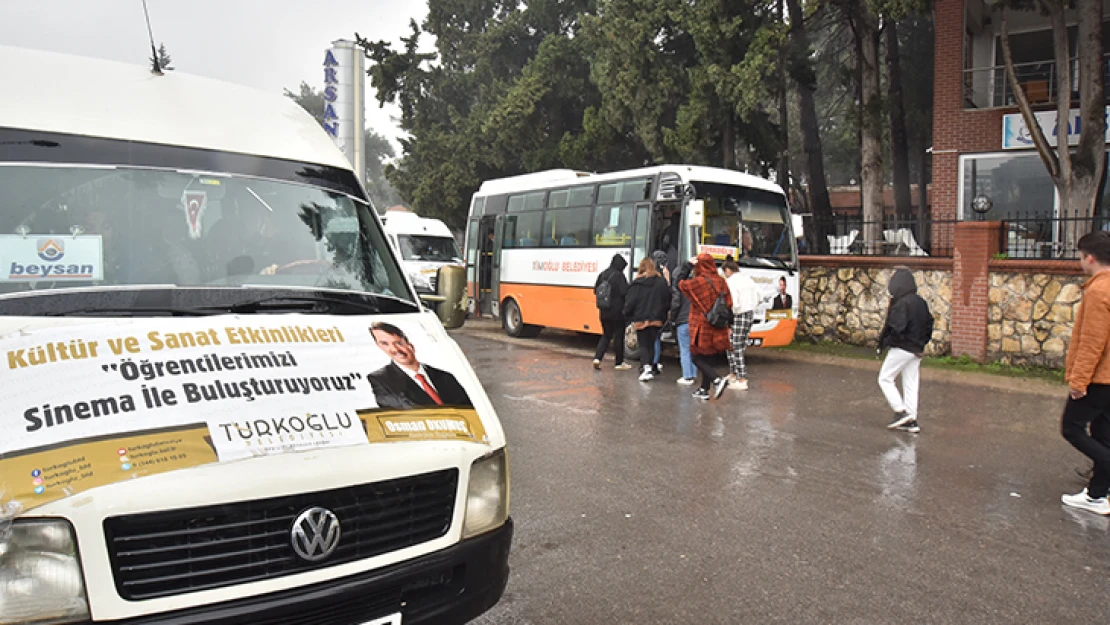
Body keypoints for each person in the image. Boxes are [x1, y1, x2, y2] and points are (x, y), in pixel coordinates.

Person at [1060, 230, 1110, 515]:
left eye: (1081, 257)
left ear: (1089, 257)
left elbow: (1093, 341)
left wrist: (1079, 381)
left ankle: (1102, 481)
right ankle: (1097, 495)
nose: (1081, 262)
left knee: (1072, 428)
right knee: (1103, 432)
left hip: (1099, 378)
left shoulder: (1098, 290)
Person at [878, 267, 934, 433]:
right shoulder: (920, 302)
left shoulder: (902, 303)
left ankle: (900, 412)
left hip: (902, 347)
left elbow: (897, 327)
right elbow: (929, 324)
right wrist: (922, 343)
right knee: (910, 382)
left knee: (885, 378)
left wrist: (887, 342)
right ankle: (911, 419)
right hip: (916, 348)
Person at [368, 322, 473, 409]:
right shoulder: (381, 380)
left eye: (398, 343)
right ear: (379, 346)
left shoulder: (445, 376)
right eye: (385, 344)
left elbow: (469, 408)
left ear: (410, 345)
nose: (395, 350)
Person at [678, 253, 732, 400]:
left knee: (695, 356)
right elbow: (729, 302)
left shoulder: (698, 282)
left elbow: (679, 283)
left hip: (702, 324)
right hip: (718, 324)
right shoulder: (722, 281)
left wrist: (687, 265)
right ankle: (704, 389)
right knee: (708, 357)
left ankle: (717, 380)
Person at [623, 257, 672, 381]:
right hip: (656, 319)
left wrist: (627, 315)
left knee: (644, 344)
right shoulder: (661, 282)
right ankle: (650, 365)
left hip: (640, 319)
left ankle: (646, 367)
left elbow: (630, 302)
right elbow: (667, 300)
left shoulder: (637, 283)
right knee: (651, 343)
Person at [722, 260, 759, 391]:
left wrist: (732, 313)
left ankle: (741, 378)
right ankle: (734, 373)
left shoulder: (731, 282)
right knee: (740, 345)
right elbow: (759, 296)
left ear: (727, 270)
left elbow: (734, 301)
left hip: (737, 314)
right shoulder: (749, 279)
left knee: (733, 346)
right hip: (750, 314)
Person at [593, 254, 632, 371]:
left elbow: (595, 290)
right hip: (617, 313)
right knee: (618, 336)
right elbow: (625, 292)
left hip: (604, 311)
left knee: (606, 335)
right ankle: (619, 362)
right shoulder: (619, 276)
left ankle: (597, 358)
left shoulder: (603, 274)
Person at [670, 259, 698, 385]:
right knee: (694, 349)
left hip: (683, 321)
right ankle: (693, 373)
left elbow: (678, 280)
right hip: (696, 322)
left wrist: (672, 319)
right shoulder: (699, 288)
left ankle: (687, 376)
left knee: (685, 349)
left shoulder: (682, 288)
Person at [650, 249, 671, 372]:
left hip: (650, 310)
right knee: (656, 338)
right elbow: (668, 292)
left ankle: (649, 362)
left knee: (650, 338)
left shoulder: (650, 274)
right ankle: (655, 362)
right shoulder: (664, 274)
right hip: (660, 311)